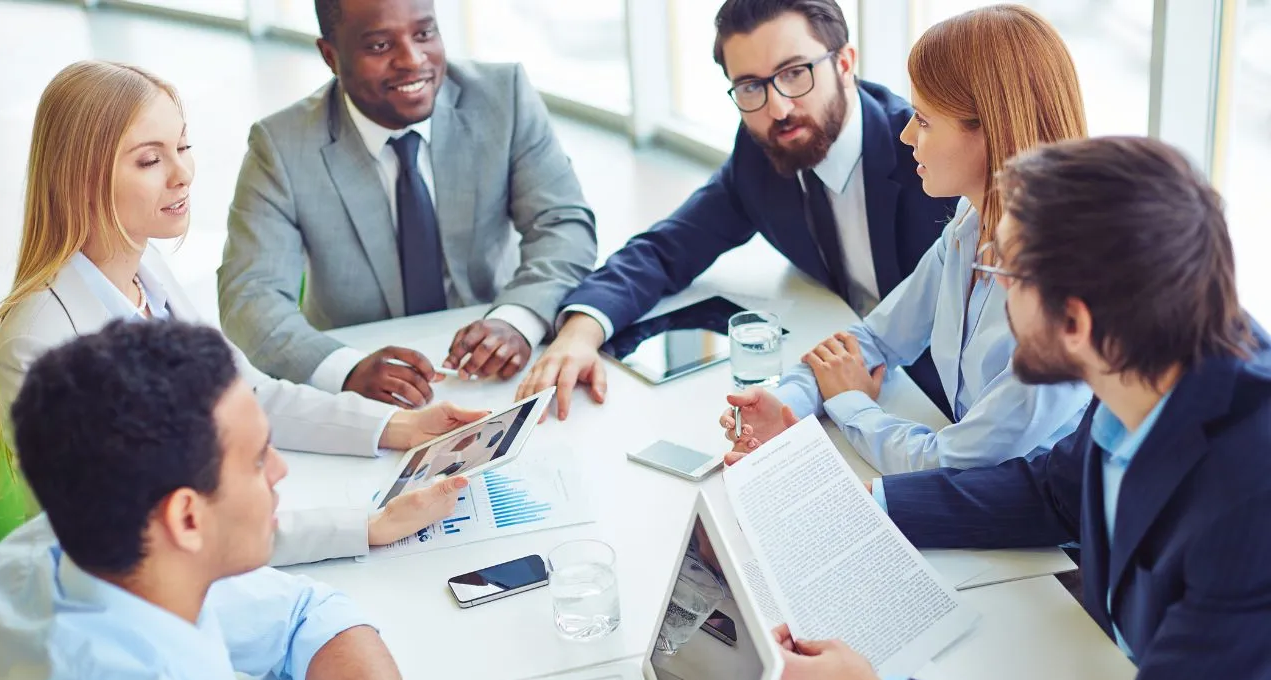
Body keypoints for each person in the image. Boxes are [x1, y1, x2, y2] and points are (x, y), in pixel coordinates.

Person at [769, 136, 1271, 680]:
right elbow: (1055, 492)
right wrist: (871, 504)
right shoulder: (1149, 349)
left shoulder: (1251, 505)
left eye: (1007, 270)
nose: (996, 285)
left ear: (1076, 321)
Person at [0, 60, 482, 564]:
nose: (183, 175)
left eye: (182, 147)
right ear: (81, 176)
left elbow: (246, 395)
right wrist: (366, 526)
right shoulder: (38, 342)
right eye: (148, 161)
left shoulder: (145, 270)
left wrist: (397, 427)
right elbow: (141, 535)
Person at [515, 0, 959, 420]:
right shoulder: (759, 154)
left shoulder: (930, 158)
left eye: (795, 73)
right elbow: (666, 248)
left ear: (844, 63)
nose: (778, 108)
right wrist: (581, 329)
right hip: (830, 368)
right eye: (751, 86)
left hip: (937, 401)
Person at [720, 5, 1091, 474]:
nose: (907, 133)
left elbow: (952, 459)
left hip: (1049, 540)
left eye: (925, 120)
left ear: (990, 129)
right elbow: (878, 337)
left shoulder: (1063, 293)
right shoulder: (969, 225)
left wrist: (852, 405)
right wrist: (789, 402)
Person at [0, 320, 418, 680]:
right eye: (256, 460)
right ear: (187, 519)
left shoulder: (96, 544)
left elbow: (306, 615)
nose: (279, 470)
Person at [217, 0, 597, 408]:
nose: (413, 60)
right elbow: (249, 296)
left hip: (492, 369)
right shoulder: (281, 146)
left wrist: (518, 319)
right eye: (380, 46)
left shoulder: (503, 97)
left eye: (424, 34)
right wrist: (345, 369)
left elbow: (563, 224)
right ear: (331, 56)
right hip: (366, 382)